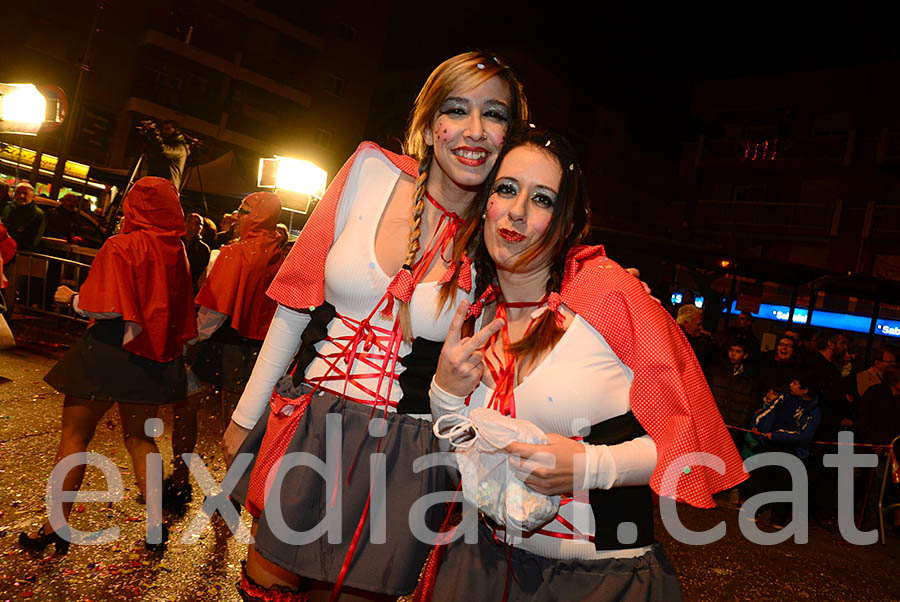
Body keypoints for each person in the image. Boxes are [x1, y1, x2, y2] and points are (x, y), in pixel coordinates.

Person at [224, 51, 530, 601]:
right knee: (266, 585)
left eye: (496, 115)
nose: (475, 131)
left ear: (511, 137)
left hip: (407, 450)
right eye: (457, 109)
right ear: (429, 122)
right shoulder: (370, 170)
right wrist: (246, 417)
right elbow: (295, 304)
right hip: (309, 422)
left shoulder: (503, 234)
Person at [428, 128, 745, 601]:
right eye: (506, 189)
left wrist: (590, 465)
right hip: (482, 565)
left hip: (598, 579)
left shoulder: (609, 294)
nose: (516, 211)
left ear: (565, 220)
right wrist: (445, 393)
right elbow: (465, 456)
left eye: (542, 199)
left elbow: (689, 447)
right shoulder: (476, 308)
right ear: (486, 201)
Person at [18, 177, 197, 555]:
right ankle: (155, 526)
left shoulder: (122, 245)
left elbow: (107, 306)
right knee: (141, 439)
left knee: (74, 437)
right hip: (150, 355)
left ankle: (56, 527)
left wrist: (72, 298)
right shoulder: (176, 248)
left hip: (107, 349)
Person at [166, 192, 284, 515]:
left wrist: (188, 341)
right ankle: (231, 493)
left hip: (220, 344)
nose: (238, 216)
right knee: (239, 423)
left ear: (256, 216)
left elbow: (213, 312)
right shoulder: (280, 253)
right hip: (257, 350)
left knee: (186, 406)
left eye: (243, 210)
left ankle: (179, 480)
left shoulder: (235, 254)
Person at [138, 119, 190, 191]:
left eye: (168, 129)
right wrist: (146, 137)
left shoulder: (180, 147)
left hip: (167, 188)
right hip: (156, 184)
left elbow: (163, 150)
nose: (164, 131)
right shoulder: (164, 143)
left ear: (177, 131)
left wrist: (155, 135)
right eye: (163, 129)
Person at [0, 182, 45, 251]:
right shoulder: (8, 207)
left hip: (18, 252)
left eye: (25, 193)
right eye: (18, 193)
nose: (21, 196)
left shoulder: (38, 214)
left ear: (33, 196)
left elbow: (33, 240)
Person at [182, 212, 210, 293]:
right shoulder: (176, 242)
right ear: (187, 223)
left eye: (201, 225)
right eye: (196, 224)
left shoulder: (203, 248)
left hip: (192, 288)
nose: (199, 227)